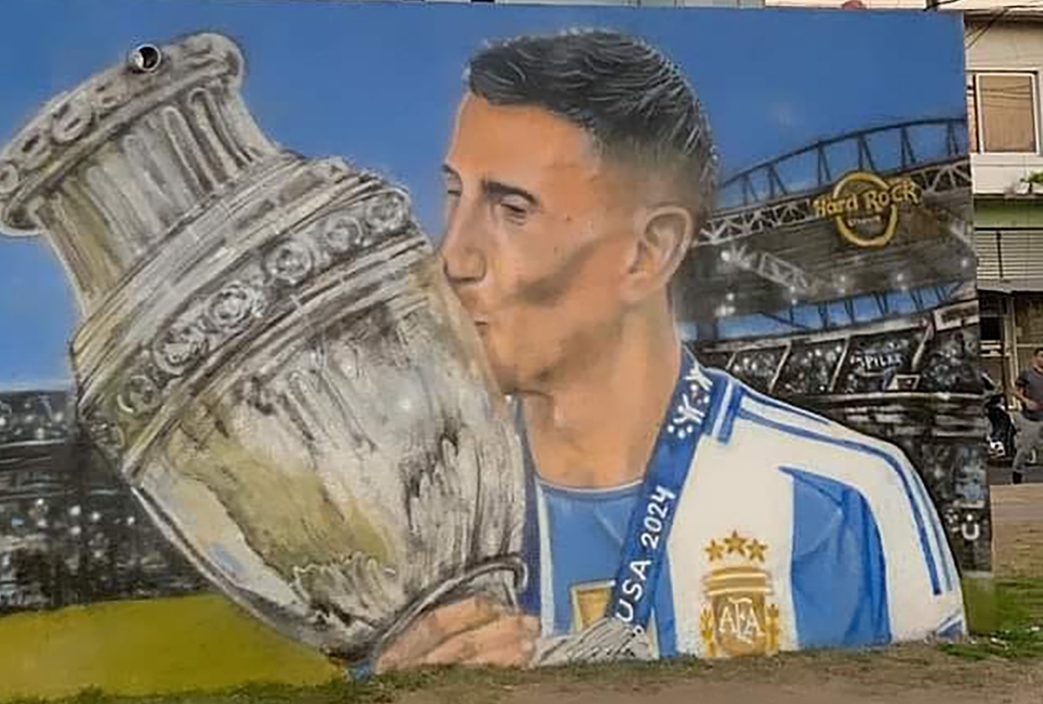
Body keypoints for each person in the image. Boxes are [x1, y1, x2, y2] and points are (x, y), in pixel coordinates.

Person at [376, 29, 963, 671]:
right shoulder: (414, 516)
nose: (452, 257)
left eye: (512, 209)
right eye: (455, 194)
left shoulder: (848, 499)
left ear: (647, 252)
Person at [1011, 347, 1043, 483]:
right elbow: (1014, 391)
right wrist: (1025, 401)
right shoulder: (1027, 374)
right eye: (1041, 356)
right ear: (1035, 358)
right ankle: (1017, 475)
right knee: (1025, 449)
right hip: (1031, 418)